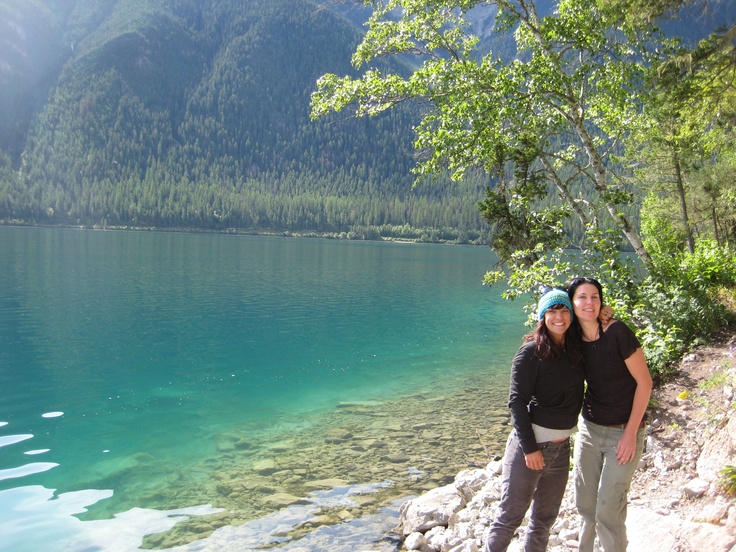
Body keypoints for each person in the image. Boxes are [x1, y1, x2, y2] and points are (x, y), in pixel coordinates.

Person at [484, 287, 584, 552]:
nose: (559, 317)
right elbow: (516, 402)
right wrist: (530, 449)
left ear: (571, 315)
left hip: (562, 450)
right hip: (531, 448)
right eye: (552, 311)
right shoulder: (531, 352)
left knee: (544, 520)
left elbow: (599, 329)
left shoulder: (575, 350)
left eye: (564, 310)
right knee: (510, 517)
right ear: (542, 316)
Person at [565, 277, 653, 552]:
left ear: (602, 301)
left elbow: (645, 383)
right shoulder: (571, 337)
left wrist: (630, 433)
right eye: (582, 297)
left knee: (608, 508)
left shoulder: (618, 333)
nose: (589, 302)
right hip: (590, 430)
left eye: (594, 297)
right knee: (586, 506)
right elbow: (548, 324)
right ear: (572, 302)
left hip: (624, 431)